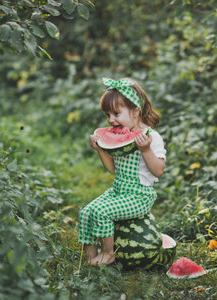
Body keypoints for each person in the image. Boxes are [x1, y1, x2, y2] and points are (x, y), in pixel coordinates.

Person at [78, 77, 166, 265]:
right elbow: (112, 169)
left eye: (116, 114)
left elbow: (158, 171)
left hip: (139, 196)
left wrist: (146, 150)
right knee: (87, 212)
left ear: (135, 112)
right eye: (107, 115)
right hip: (119, 191)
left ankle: (109, 253)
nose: (111, 120)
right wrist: (101, 149)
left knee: (101, 212)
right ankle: (90, 256)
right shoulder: (121, 134)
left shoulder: (152, 137)